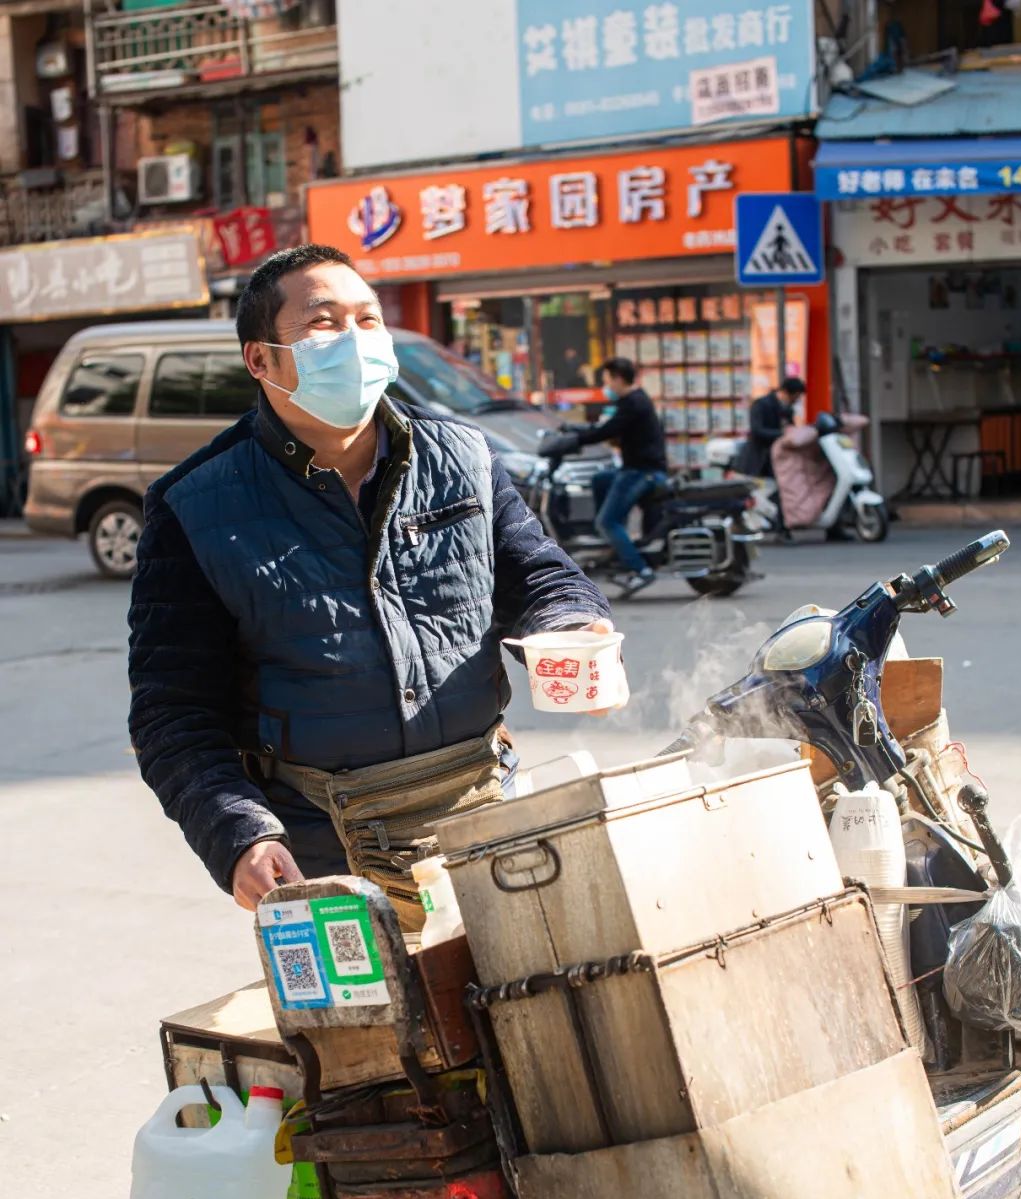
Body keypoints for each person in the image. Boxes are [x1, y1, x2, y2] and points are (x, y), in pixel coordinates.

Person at [128, 244, 613, 928]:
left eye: (368, 319)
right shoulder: (195, 506)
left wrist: (571, 624)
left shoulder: (464, 456)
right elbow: (172, 714)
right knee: (377, 1036)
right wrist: (238, 833)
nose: (354, 342)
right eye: (324, 324)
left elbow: (536, 571)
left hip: (484, 815)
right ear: (260, 360)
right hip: (323, 854)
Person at [567, 356, 668, 599]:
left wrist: (575, 439)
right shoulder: (634, 400)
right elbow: (611, 429)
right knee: (601, 479)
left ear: (619, 379)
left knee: (606, 521)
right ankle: (616, 543)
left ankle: (640, 569)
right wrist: (577, 431)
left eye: (607, 381)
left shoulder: (633, 403)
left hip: (642, 472)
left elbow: (608, 430)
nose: (606, 387)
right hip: (636, 468)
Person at [736, 375, 806, 541]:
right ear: (786, 392)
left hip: (779, 459)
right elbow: (757, 430)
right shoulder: (761, 405)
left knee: (782, 492)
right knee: (759, 494)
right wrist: (782, 435)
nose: (795, 401)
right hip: (760, 459)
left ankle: (782, 529)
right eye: (795, 397)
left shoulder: (787, 409)